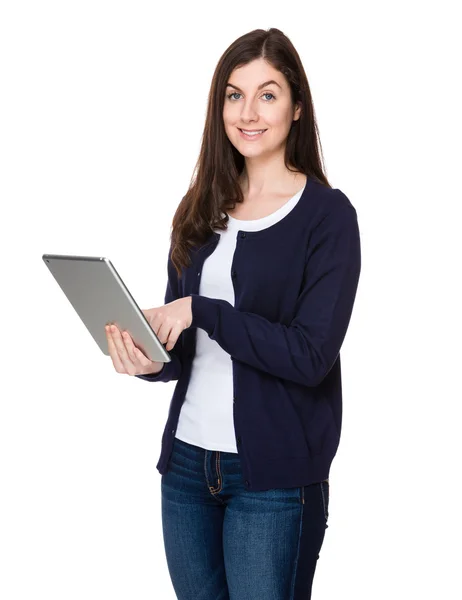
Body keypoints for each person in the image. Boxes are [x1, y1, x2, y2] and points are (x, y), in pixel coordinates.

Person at [106, 27, 361, 600]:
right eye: (233, 94)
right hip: (188, 470)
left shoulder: (327, 217)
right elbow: (186, 350)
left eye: (267, 95)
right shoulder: (199, 208)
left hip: (271, 480)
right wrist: (152, 359)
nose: (248, 112)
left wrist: (204, 310)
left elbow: (310, 355)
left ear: (297, 107)